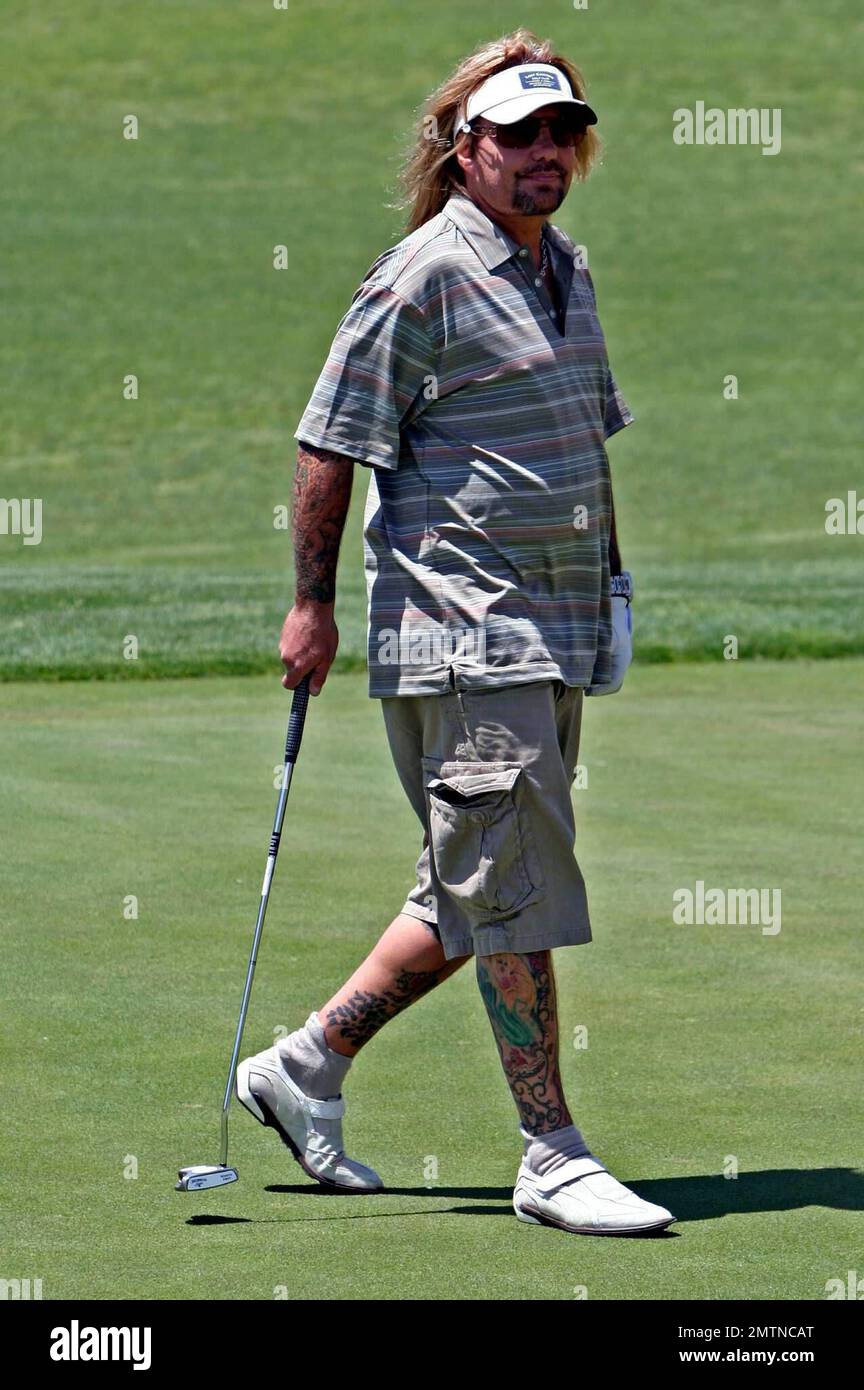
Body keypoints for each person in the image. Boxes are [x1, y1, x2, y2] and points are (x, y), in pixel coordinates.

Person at [236, 28, 675, 1237]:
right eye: (518, 133)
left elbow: (588, 440)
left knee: (474, 886)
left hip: (554, 626)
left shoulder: (565, 269)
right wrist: (312, 600)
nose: (545, 152)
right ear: (465, 149)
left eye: (562, 132)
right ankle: (551, 1152)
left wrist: (615, 593)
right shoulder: (422, 274)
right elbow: (330, 440)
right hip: (466, 630)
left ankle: (306, 1067)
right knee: (516, 890)